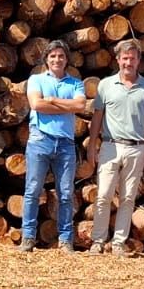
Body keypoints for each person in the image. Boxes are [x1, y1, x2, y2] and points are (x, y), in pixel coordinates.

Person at [86, 40, 144, 255]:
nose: (129, 62)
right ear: (117, 59)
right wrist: (92, 146)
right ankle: (98, 240)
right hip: (110, 146)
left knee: (128, 197)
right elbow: (97, 118)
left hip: (137, 147)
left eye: (133, 58)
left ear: (139, 61)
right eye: (125, 58)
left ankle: (118, 242)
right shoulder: (105, 85)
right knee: (103, 195)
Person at [19, 40, 91, 252]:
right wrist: (63, 106)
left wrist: (51, 100)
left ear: (66, 59)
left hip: (65, 144)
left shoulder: (75, 83)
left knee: (66, 192)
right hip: (40, 140)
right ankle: (28, 237)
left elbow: (80, 105)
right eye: (53, 56)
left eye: (61, 56)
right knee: (32, 190)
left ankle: (66, 239)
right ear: (46, 59)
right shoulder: (36, 79)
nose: (57, 60)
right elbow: (36, 104)